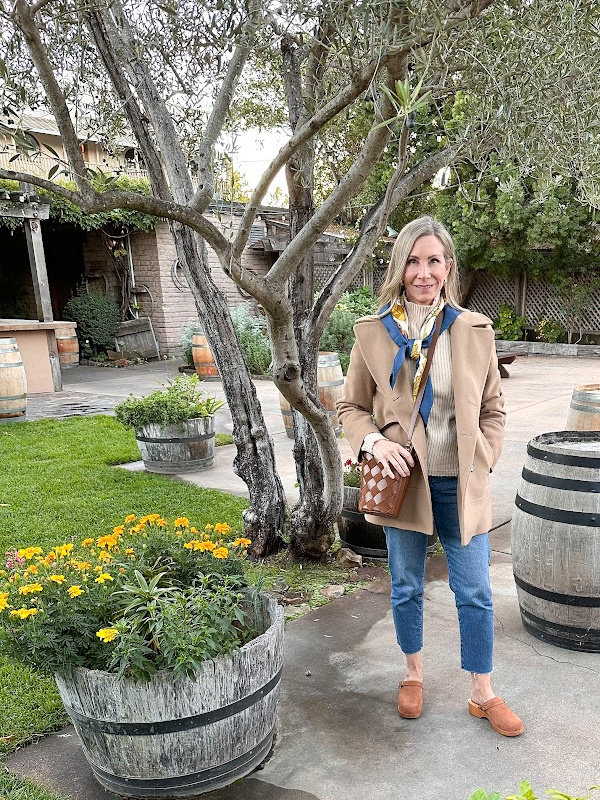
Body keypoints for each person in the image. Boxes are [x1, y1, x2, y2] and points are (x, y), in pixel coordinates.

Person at [336, 216, 523, 737]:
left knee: (475, 591)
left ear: (448, 267)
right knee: (406, 586)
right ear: (400, 268)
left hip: (460, 483)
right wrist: (373, 442)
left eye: (433, 261)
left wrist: (483, 456)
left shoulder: (471, 331)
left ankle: (482, 691)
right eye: (413, 261)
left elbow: (493, 408)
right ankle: (412, 673)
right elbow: (350, 407)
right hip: (407, 484)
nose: (424, 272)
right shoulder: (374, 334)